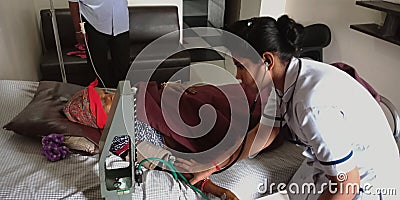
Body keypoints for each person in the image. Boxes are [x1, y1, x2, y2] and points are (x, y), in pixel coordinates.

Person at [176, 16, 400, 200]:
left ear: (267, 61)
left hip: (368, 183)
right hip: (334, 172)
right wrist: (214, 165)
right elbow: (264, 133)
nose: (237, 76)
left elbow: (347, 184)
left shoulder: (312, 104)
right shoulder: (284, 80)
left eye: (240, 66)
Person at [62, 79, 271, 200]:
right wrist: (218, 190)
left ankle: (266, 104)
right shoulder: (124, 138)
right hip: (192, 125)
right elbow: (169, 163)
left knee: (236, 97)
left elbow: (155, 91)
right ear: (104, 120)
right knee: (241, 124)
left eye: (107, 92)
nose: (113, 95)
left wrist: (171, 86)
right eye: (106, 101)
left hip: (185, 101)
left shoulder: (131, 94)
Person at [68, 0, 130, 88]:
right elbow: (73, 2)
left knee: (122, 65)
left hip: (121, 24)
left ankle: (122, 97)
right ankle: (100, 98)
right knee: (98, 68)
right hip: (94, 24)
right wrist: (78, 30)